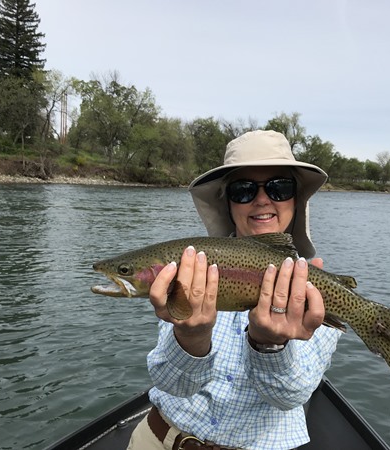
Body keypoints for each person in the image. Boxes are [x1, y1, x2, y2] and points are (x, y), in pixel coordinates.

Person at [127, 130, 342, 450]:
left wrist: (270, 346)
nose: (262, 199)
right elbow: (173, 385)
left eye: (279, 187)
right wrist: (191, 339)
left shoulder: (313, 287)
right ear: (227, 202)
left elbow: (291, 397)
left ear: (296, 199)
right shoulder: (191, 268)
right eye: (243, 190)